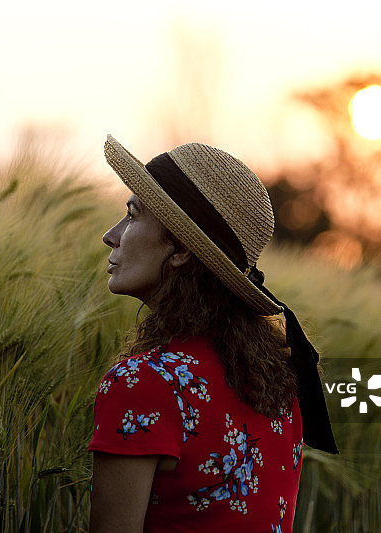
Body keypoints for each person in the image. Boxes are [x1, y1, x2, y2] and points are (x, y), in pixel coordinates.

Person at [89, 135, 338, 533]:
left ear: (180, 250)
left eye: (132, 215)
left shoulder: (141, 384)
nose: (111, 234)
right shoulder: (282, 385)